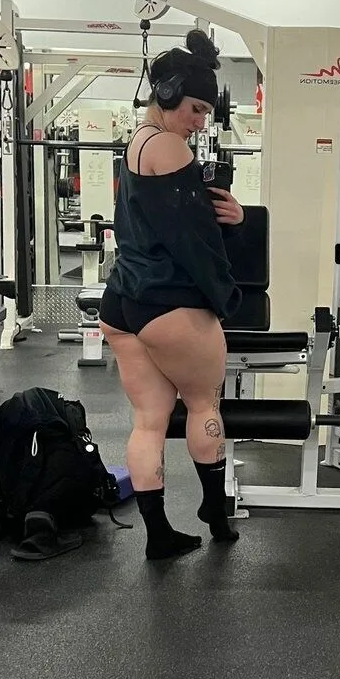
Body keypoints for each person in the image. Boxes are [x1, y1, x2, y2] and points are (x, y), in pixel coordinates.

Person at [99, 29, 245, 561]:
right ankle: (216, 516)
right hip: (169, 304)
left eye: (205, 111)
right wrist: (228, 280)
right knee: (204, 403)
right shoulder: (170, 146)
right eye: (196, 109)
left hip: (123, 303)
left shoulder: (138, 140)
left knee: (149, 421)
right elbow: (196, 241)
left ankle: (159, 535)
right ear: (167, 94)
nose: (200, 121)